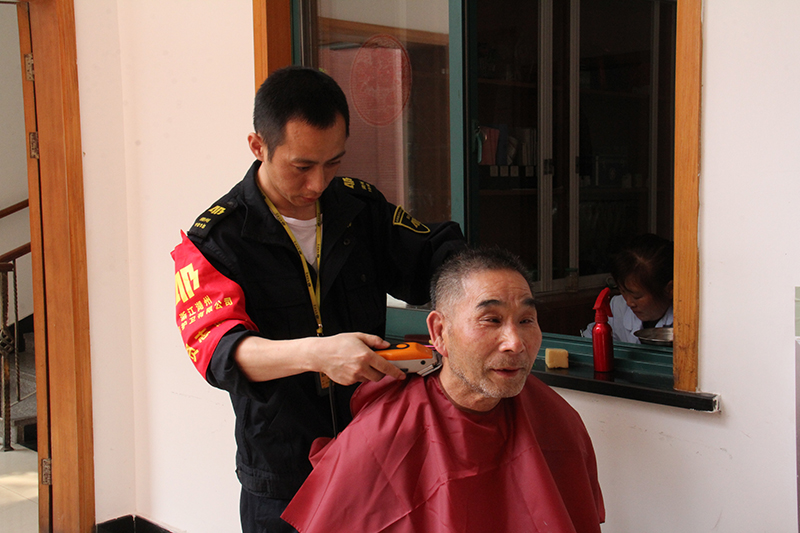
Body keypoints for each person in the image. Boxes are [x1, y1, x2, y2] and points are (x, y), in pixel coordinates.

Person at [171, 65, 464, 532]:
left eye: (333, 163)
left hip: (372, 453)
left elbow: (434, 259)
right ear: (258, 146)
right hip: (282, 474)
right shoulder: (216, 240)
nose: (318, 184)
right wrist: (319, 354)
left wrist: (488, 297)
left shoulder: (360, 208)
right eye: (302, 166)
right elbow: (220, 354)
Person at [282, 247, 605, 533]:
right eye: (491, 320)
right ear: (439, 331)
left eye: (526, 320)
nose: (515, 343)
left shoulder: (557, 420)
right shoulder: (381, 436)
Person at [582, 233, 674, 343]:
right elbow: (590, 341)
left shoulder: (685, 318)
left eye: (637, 296)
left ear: (670, 289)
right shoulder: (618, 307)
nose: (629, 303)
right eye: (623, 291)